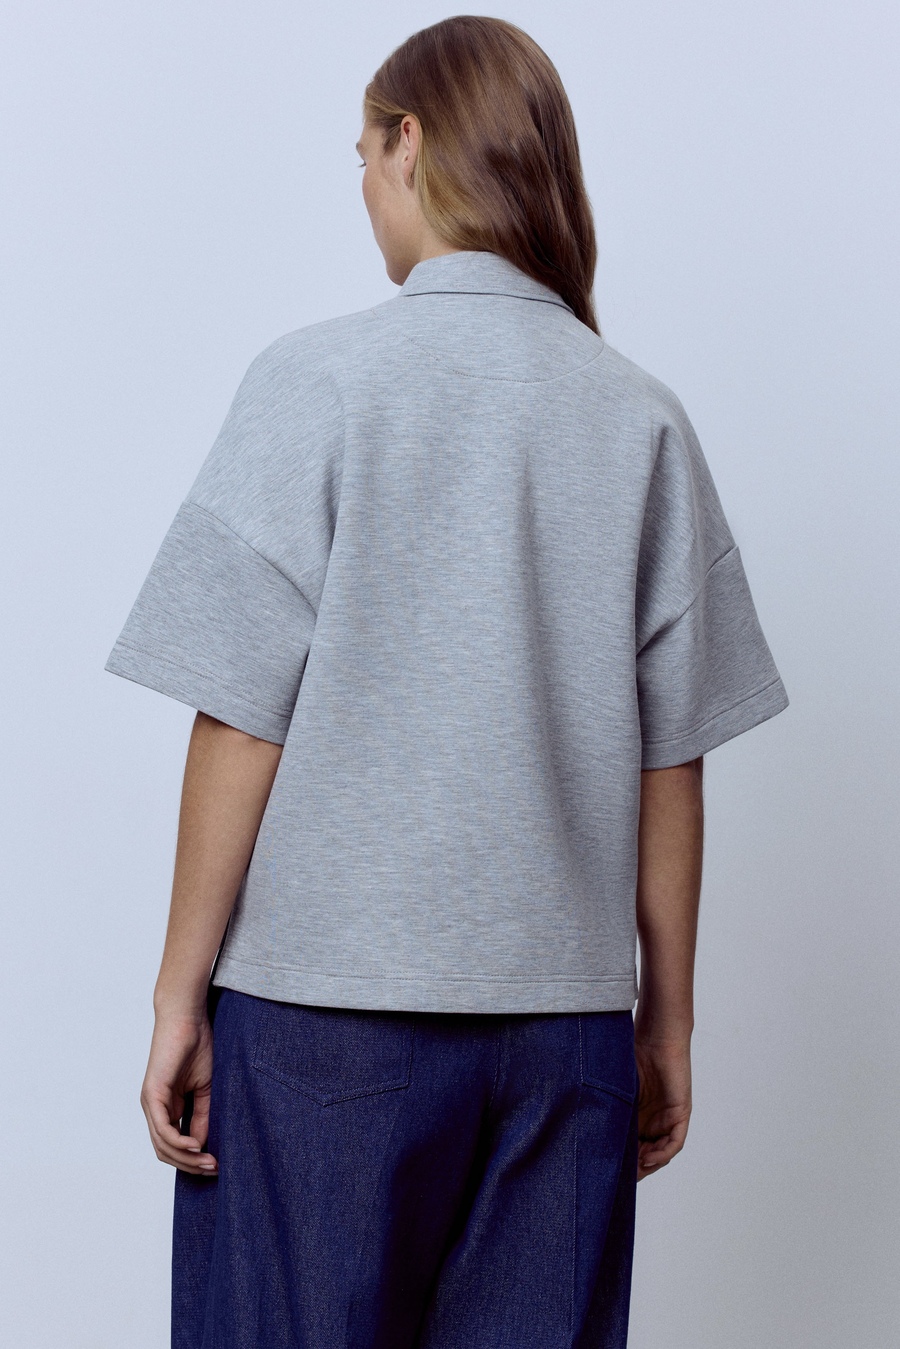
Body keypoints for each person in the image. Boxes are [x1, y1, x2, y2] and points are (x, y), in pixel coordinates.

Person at [105, 15, 789, 1348]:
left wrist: (179, 995)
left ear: (409, 141)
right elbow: (672, 760)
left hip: (323, 1026)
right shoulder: (640, 417)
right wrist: (667, 1021)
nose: (363, 185)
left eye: (362, 153)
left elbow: (241, 719)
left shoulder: (316, 382)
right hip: (563, 1037)